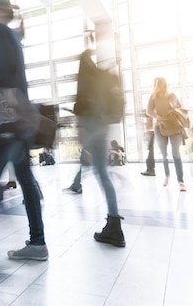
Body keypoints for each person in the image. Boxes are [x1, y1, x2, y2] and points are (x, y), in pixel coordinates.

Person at [0, 0, 48, 261]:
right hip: (20, 118)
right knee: (25, 180)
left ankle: (33, 243)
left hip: (11, 120)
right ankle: (37, 242)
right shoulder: (13, 36)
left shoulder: (1, 31)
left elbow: (6, 75)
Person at [73, 49, 125, 247]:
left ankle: (114, 226)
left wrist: (82, 127)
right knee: (104, 174)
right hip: (103, 125)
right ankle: (114, 225)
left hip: (91, 122)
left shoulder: (88, 75)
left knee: (101, 172)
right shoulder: (107, 78)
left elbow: (82, 99)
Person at [147, 77, 187, 191]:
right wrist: (157, 116)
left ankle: (180, 181)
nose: (161, 87)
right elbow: (148, 111)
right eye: (159, 85)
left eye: (163, 84)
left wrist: (174, 111)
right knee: (164, 154)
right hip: (160, 127)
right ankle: (167, 175)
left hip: (174, 126)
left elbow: (179, 108)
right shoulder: (153, 97)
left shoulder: (172, 95)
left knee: (176, 153)